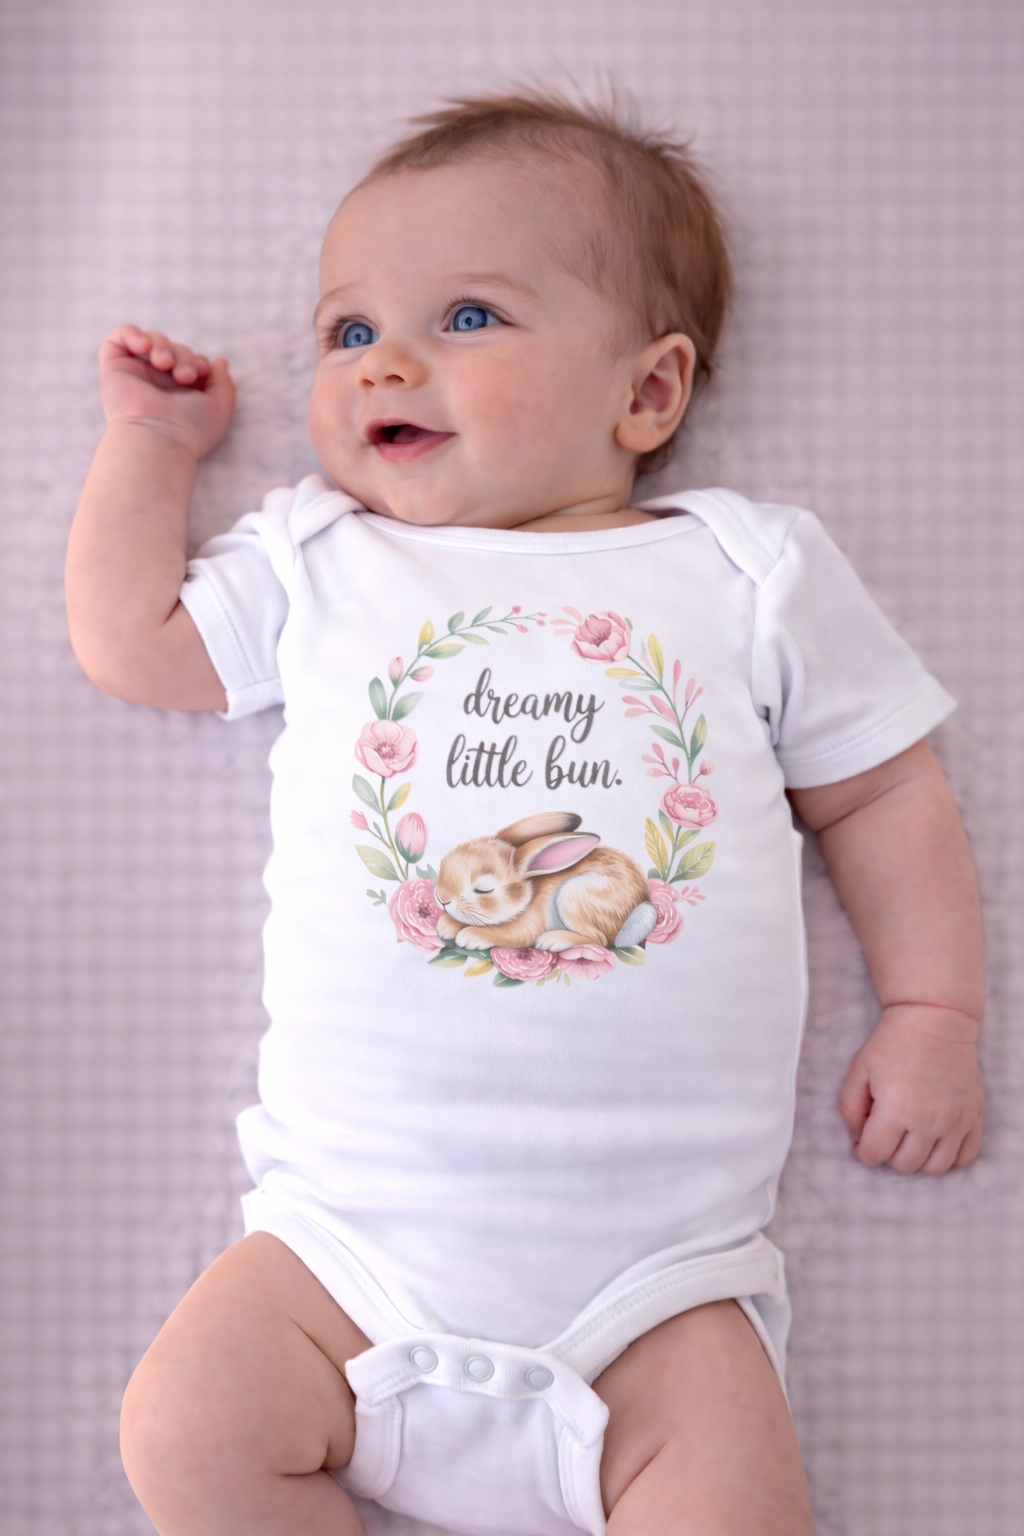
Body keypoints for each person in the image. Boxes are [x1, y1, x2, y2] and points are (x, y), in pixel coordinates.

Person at [65, 90, 984, 1536]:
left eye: (468, 317)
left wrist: (935, 1011)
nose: (387, 365)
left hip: (656, 1291)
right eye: (349, 332)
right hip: (344, 1253)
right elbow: (135, 642)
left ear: (648, 393)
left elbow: (878, 788)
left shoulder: (745, 572)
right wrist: (153, 449)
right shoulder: (322, 559)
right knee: (185, 1426)